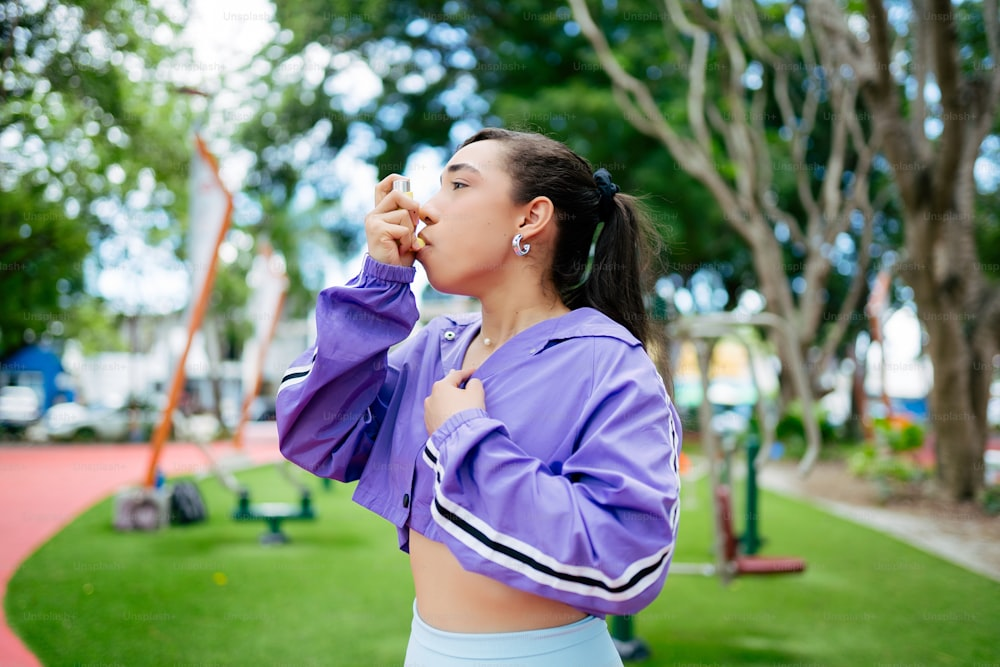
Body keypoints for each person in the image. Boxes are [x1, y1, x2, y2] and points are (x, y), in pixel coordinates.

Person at [276, 128, 682, 666]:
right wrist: (380, 285)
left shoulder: (607, 362)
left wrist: (465, 435)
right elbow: (314, 433)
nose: (424, 211)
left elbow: (629, 559)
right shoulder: (433, 347)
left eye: (458, 186)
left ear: (530, 218)